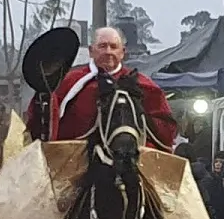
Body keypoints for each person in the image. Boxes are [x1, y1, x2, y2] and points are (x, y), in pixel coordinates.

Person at [25, 27, 176, 149]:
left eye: (113, 47)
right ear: (91, 51)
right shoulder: (69, 82)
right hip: (74, 162)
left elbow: (166, 128)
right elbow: (41, 124)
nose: (108, 51)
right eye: (102, 46)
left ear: (123, 52)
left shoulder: (143, 85)